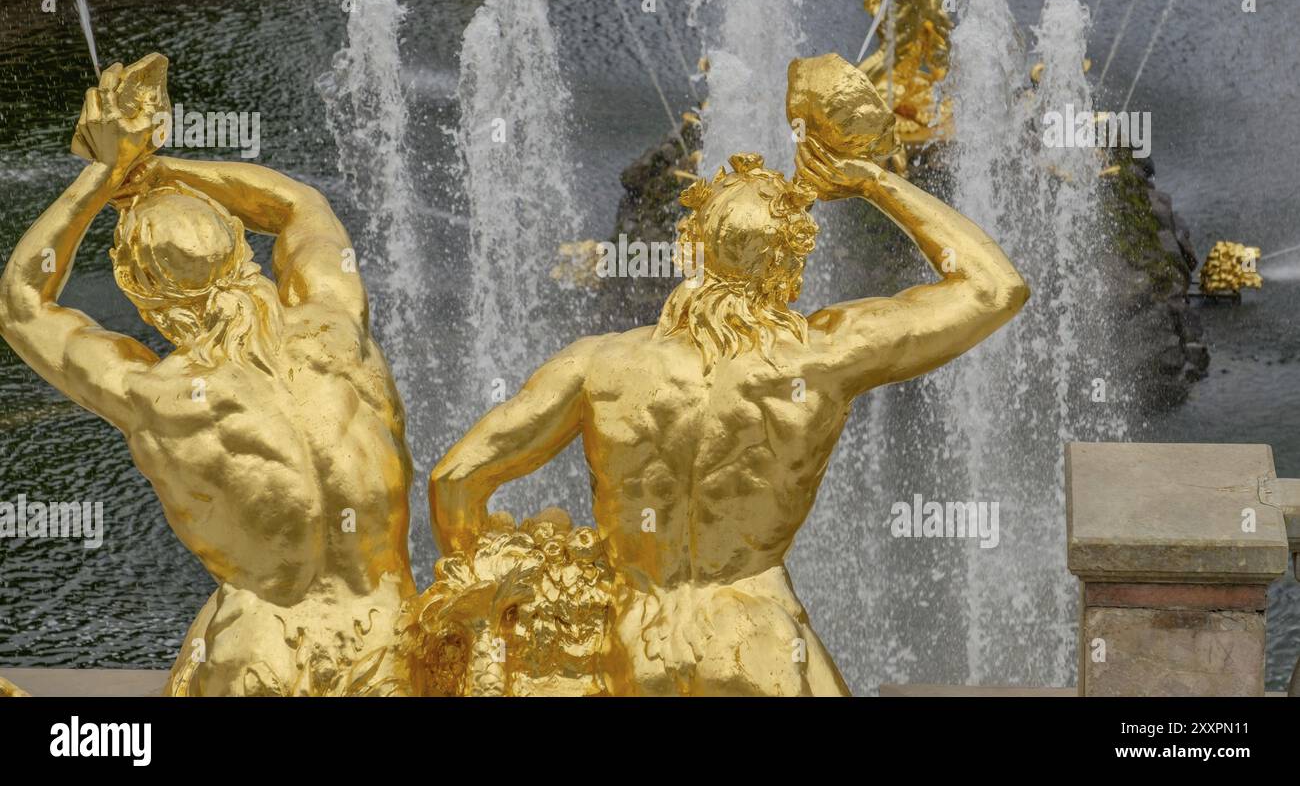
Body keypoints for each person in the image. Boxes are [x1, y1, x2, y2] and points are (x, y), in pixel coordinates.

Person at [430, 54, 1028, 695]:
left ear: (692, 250)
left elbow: (455, 480)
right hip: (756, 639)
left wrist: (526, 576)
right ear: (792, 265)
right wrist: (873, 184)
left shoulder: (597, 365)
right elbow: (996, 289)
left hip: (632, 640)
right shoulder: (822, 358)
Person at [0, 55, 417, 695]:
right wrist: (160, 166)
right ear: (237, 239)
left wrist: (108, 172)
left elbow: (22, 302)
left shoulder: (156, 397)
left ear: (144, 296)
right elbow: (296, 203)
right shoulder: (340, 325)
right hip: (392, 641)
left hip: (261, 661)